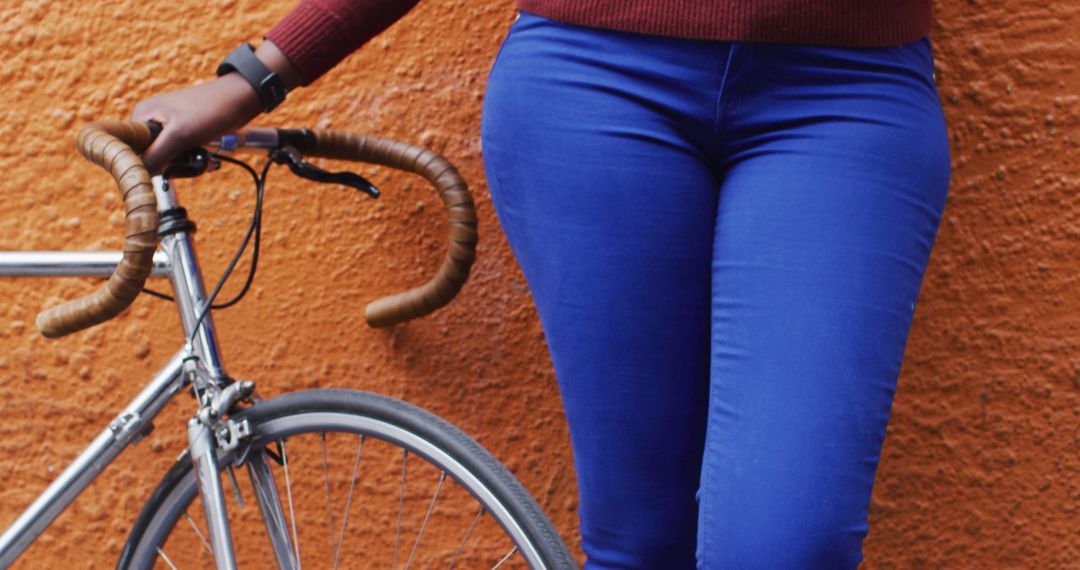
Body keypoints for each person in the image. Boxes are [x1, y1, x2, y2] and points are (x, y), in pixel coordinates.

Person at [133, 1, 951, 567]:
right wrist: (259, 72)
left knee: (783, 547)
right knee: (642, 541)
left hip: (848, 93)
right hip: (595, 84)